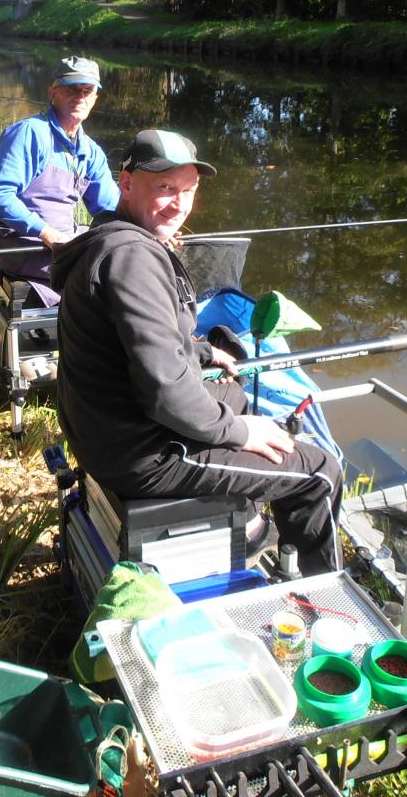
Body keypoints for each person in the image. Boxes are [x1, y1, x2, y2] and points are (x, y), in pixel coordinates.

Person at [51, 129, 343, 574]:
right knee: (321, 472)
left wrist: (203, 352)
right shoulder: (134, 258)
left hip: (104, 432)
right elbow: (168, 394)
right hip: (142, 454)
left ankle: (242, 516)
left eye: (188, 190)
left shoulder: (109, 237)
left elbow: (136, 336)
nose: (179, 203)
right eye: (165, 187)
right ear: (126, 182)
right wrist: (240, 433)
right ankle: (328, 600)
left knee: (234, 395)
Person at [0, 56, 120, 306]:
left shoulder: (91, 152)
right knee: (109, 276)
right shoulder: (29, 132)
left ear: (94, 99)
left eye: (86, 90)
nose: (79, 96)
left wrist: (148, 232)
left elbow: (111, 209)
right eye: (71, 89)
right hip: (24, 246)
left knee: (123, 247)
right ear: (52, 92)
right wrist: (46, 233)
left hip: (62, 245)